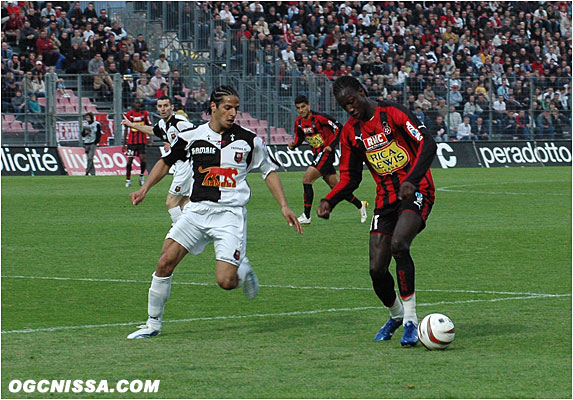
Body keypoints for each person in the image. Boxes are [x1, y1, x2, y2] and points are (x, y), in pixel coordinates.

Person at [125, 86, 302, 339]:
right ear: (213, 108)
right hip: (196, 211)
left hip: (229, 215)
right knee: (165, 262)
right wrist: (145, 189)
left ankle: (242, 269)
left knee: (225, 282)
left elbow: (268, 171)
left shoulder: (249, 140)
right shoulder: (192, 136)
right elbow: (165, 162)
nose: (233, 113)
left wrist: (284, 205)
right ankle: (152, 324)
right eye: (227, 108)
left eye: (236, 108)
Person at [318, 76, 437, 347]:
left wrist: (412, 179)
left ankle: (410, 320)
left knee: (399, 244)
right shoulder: (351, 132)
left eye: (352, 101)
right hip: (385, 200)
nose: (349, 108)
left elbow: (428, 143)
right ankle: (395, 315)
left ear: (362, 92)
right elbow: (350, 177)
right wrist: (331, 199)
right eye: (343, 105)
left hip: (417, 191)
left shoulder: (393, 113)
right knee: (376, 269)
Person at [288, 95, 368, 224]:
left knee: (307, 179)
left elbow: (339, 128)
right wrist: (294, 145)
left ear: (308, 106)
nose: (301, 110)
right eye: (298, 108)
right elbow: (299, 137)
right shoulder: (299, 122)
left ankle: (306, 216)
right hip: (317, 155)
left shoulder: (320, 118)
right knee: (336, 187)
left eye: (303, 107)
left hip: (325, 154)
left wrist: (331, 145)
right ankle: (360, 205)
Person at [122, 96, 195, 224]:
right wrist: (132, 125)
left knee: (171, 202)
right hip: (179, 164)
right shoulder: (162, 124)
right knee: (184, 203)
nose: (163, 109)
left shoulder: (179, 121)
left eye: (166, 106)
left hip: (187, 164)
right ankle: (191, 231)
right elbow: (152, 130)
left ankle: (182, 233)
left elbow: (196, 132)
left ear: (172, 107)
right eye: (160, 106)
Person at [123, 99, 152, 187]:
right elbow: (126, 128)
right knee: (129, 161)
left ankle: (141, 176)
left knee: (143, 160)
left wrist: (150, 139)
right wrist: (124, 142)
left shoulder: (145, 114)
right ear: (133, 104)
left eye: (139, 103)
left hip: (141, 141)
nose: (138, 104)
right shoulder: (129, 114)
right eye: (136, 102)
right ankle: (128, 180)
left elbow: (149, 126)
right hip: (131, 142)